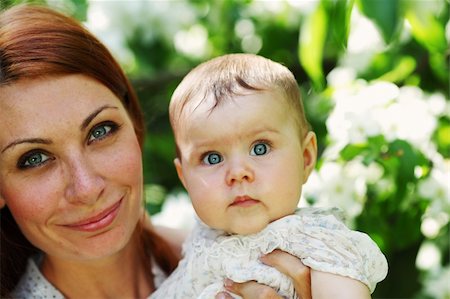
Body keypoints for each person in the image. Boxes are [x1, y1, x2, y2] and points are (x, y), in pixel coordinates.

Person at [0, 5, 315, 299]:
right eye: (34, 159)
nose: (87, 188)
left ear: (134, 124)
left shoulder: (232, 256)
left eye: (100, 131)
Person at [150, 53, 388, 299]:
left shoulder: (316, 244)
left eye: (260, 148)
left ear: (306, 158)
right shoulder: (199, 242)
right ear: (185, 178)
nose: (238, 173)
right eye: (212, 158)